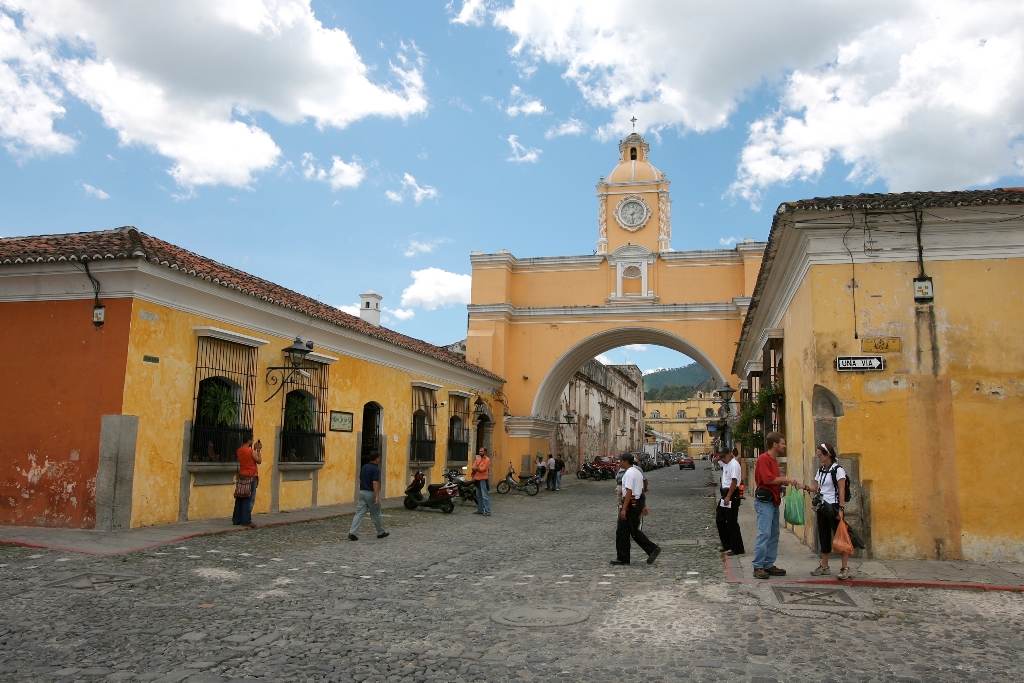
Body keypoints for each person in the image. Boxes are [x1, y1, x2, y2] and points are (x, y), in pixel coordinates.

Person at [752, 432, 800, 579]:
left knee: (774, 534)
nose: (784, 446)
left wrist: (782, 481)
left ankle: (768, 564)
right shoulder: (763, 459)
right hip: (765, 502)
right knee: (765, 533)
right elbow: (768, 479)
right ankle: (758, 565)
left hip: (773, 500)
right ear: (775, 444)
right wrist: (787, 479)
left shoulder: (774, 460)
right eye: (782, 443)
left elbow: (773, 479)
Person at [804, 443, 851, 580]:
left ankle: (845, 567)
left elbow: (841, 490)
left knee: (840, 535)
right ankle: (824, 566)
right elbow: (816, 487)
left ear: (828, 454)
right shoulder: (821, 470)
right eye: (818, 455)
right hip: (822, 507)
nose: (819, 457)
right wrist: (804, 486)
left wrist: (841, 508)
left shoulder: (838, 470)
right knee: (823, 535)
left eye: (820, 454)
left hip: (834, 506)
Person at [610, 454, 661, 565]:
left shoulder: (629, 474)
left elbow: (629, 491)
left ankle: (626, 557)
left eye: (621, 461)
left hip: (631, 503)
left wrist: (624, 509)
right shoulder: (637, 472)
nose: (620, 463)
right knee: (632, 531)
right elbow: (642, 490)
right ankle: (649, 550)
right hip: (637, 502)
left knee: (622, 532)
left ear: (625, 461)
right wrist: (643, 505)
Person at [348, 454, 388, 541]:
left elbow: (360, 480)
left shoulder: (364, 467)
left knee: (359, 513)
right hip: (370, 492)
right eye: (379, 458)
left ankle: (352, 532)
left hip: (362, 492)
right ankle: (380, 532)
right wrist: (376, 496)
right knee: (375, 513)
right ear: (377, 459)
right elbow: (375, 483)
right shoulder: (375, 469)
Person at [715, 449, 744, 556]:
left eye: (724, 456)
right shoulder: (726, 463)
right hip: (724, 494)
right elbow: (715, 460)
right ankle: (726, 544)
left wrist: (728, 496)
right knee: (720, 519)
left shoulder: (734, 465)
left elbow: (734, 482)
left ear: (729, 454)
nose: (722, 459)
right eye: (721, 457)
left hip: (731, 494)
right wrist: (721, 456)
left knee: (731, 522)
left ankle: (737, 548)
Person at [232, 434, 261, 527]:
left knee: (240, 497)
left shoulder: (239, 450)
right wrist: (258, 450)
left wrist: (254, 449)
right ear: (249, 441)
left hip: (242, 475)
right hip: (251, 476)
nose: (253, 442)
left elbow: (246, 459)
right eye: (252, 440)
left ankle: (236, 519)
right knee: (248, 498)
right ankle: (246, 520)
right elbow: (259, 460)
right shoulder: (251, 451)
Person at [471, 447, 491, 516]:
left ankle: (488, 511)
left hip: (483, 480)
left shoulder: (487, 460)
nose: (480, 452)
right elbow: (472, 467)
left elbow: (483, 469)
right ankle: (480, 510)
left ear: (485, 452)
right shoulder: (478, 460)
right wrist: (478, 468)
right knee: (478, 496)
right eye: (479, 451)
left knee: (485, 496)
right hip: (477, 479)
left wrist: (476, 468)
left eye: (481, 451)